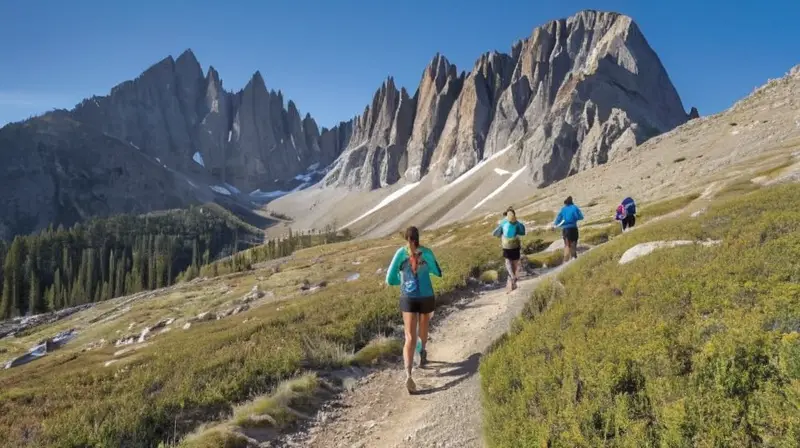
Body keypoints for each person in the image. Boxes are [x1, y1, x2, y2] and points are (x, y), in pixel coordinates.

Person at [385, 226, 443, 394]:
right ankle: (422, 352)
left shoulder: (400, 254)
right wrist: (427, 269)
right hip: (426, 296)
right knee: (424, 326)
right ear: (419, 238)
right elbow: (438, 272)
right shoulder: (427, 252)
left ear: (406, 239)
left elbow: (389, 279)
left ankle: (409, 373)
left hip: (408, 298)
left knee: (409, 336)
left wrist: (403, 282)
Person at [492, 207, 526, 292]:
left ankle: (512, 277)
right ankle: (514, 281)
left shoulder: (503, 222)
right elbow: (522, 232)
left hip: (506, 246)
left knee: (508, 262)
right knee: (515, 262)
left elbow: (495, 233)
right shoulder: (517, 223)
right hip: (516, 245)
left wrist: (501, 234)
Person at [553, 196, 584, 261]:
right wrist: (574, 218)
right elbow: (580, 217)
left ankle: (566, 260)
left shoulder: (563, 209)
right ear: (572, 201)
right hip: (573, 228)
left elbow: (558, 218)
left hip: (565, 229)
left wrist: (556, 224)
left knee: (567, 245)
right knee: (574, 244)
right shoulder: (575, 207)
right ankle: (574, 258)